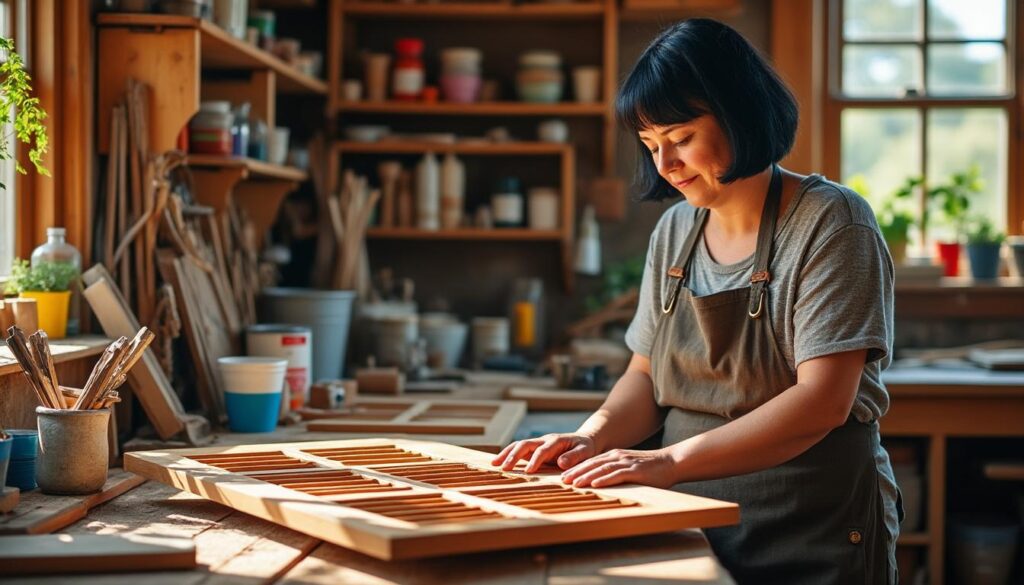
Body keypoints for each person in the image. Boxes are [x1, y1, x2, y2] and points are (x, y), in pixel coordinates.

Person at [492, 18, 901, 584]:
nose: (664, 165)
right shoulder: (675, 231)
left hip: (811, 533)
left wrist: (668, 461)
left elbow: (823, 402)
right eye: (651, 146)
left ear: (739, 113)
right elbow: (644, 377)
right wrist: (589, 437)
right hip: (689, 527)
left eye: (680, 139)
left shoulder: (831, 222)